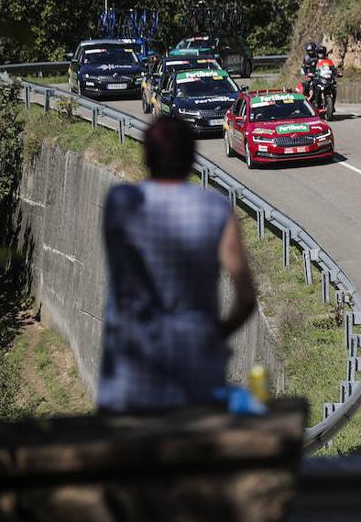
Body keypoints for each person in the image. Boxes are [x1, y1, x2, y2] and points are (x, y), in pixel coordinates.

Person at [98, 116, 257, 412]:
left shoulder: (120, 202)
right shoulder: (216, 209)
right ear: (192, 157)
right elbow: (246, 298)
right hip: (196, 378)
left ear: (147, 156)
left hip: (127, 381)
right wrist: (214, 335)